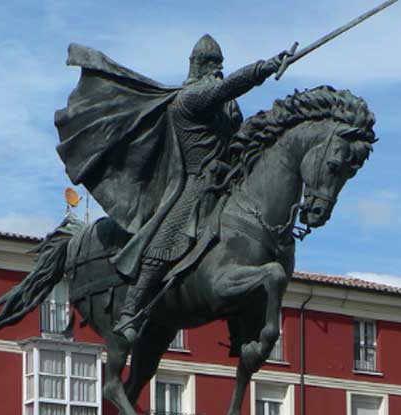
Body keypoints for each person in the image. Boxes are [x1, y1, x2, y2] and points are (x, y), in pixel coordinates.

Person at [54, 35, 287, 343]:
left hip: (226, 181)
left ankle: (241, 317)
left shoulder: (221, 107)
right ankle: (131, 310)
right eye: (214, 66)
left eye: (221, 67)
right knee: (167, 239)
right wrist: (264, 67)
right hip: (193, 185)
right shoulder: (190, 99)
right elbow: (227, 88)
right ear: (200, 68)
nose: (218, 72)